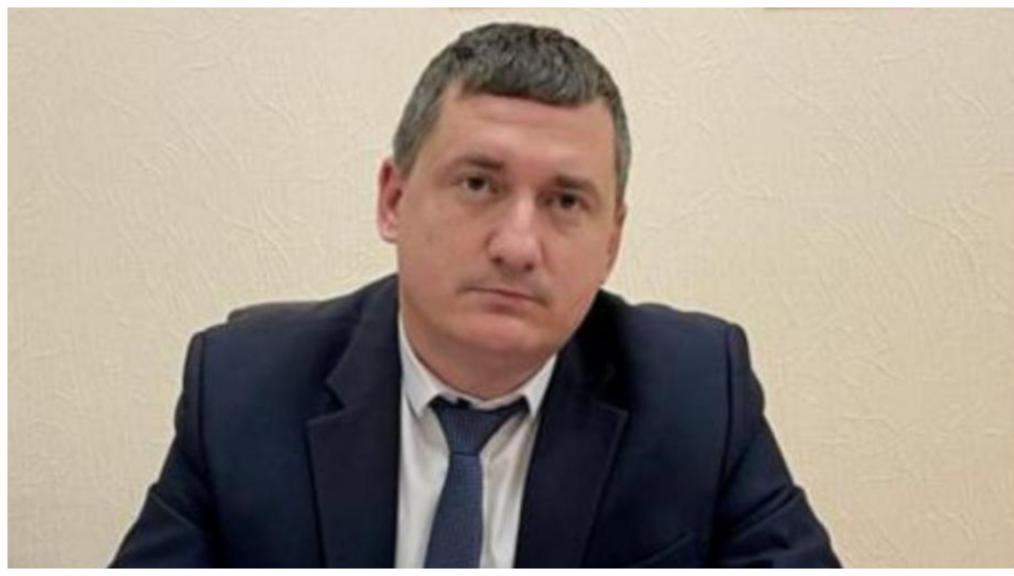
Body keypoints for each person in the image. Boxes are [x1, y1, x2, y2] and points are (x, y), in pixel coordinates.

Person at [111, 22, 841, 568]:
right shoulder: (244, 388)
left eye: (565, 201)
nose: (518, 246)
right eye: (479, 184)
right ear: (393, 200)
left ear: (612, 241)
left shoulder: (696, 395)